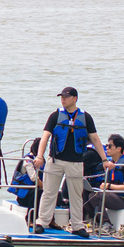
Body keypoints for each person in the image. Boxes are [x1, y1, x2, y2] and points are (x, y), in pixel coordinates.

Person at [33, 87, 111, 238]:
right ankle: (42, 222)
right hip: (55, 160)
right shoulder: (55, 115)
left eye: (66, 97)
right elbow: (45, 137)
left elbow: (95, 139)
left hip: (75, 162)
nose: (63, 99)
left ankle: (77, 226)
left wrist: (104, 160)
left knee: (76, 195)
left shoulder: (85, 117)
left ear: (75, 98)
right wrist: (39, 156)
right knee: (49, 192)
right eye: (61, 97)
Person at [84, 134, 124, 229]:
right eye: (106, 145)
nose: (107, 148)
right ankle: (92, 220)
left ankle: (106, 224)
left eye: (110, 146)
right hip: (112, 195)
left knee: (95, 196)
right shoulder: (112, 163)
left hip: (123, 199)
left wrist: (108, 186)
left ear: (118, 149)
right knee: (85, 193)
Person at [7, 139, 42, 214]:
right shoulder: (28, 160)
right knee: (39, 192)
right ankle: (31, 216)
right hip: (24, 196)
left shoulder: (41, 161)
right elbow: (34, 178)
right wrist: (44, 187)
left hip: (33, 192)